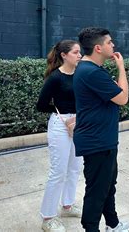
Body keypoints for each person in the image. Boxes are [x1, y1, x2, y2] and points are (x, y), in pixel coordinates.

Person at [73, 27, 129, 232]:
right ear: (98, 48)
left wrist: (116, 88)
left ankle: (113, 224)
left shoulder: (91, 70)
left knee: (107, 186)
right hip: (97, 141)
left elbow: (114, 95)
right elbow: (123, 98)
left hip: (102, 139)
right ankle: (91, 228)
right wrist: (121, 68)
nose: (113, 45)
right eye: (109, 42)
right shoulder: (91, 72)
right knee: (97, 191)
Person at [37, 40, 83, 232]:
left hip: (79, 123)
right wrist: (61, 114)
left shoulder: (80, 74)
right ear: (64, 55)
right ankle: (48, 218)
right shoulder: (55, 78)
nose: (80, 55)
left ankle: (67, 205)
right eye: (75, 52)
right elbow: (41, 105)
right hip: (60, 125)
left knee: (75, 167)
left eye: (80, 52)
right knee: (58, 172)